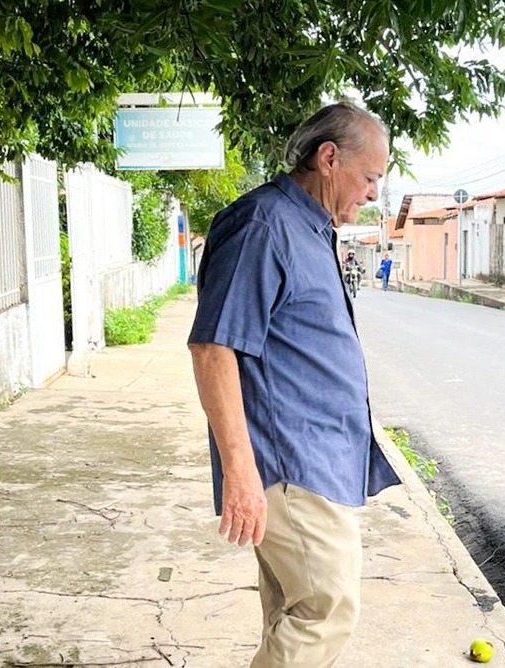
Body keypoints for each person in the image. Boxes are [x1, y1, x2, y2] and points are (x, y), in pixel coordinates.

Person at [187, 101, 401, 668]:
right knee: (326, 611)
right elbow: (213, 348)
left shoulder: (309, 227)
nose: (376, 193)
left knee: (293, 612)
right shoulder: (263, 225)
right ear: (329, 158)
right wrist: (240, 472)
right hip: (290, 467)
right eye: (371, 176)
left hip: (317, 459)